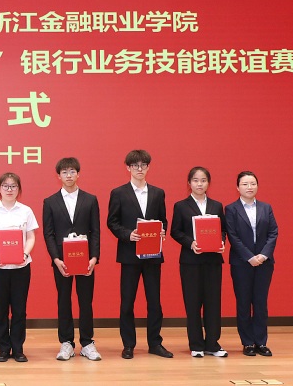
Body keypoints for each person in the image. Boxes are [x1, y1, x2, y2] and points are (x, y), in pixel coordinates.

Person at [107, 149, 172, 359]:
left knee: (154, 301)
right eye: (135, 165)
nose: (139, 169)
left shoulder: (158, 193)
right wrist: (128, 234)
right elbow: (112, 222)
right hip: (129, 255)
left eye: (143, 165)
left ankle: (155, 343)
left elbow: (163, 220)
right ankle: (128, 345)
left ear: (148, 167)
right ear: (128, 168)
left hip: (153, 255)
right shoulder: (118, 193)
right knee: (127, 302)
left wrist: (162, 231)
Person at [42, 157, 102, 361]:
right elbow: (48, 233)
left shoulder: (90, 199)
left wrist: (94, 257)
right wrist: (55, 259)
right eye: (64, 172)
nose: (69, 175)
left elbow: (95, 231)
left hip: (86, 261)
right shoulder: (50, 201)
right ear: (58, 176)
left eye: (72, 171)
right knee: (63, 300)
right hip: (62, 262)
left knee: (86, 301)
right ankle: (66, 342)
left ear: (78, 174)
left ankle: (87, 343)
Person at [170, 167, 228, 358]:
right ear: (189, 183)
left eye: (203, 180)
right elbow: (175, 231)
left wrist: (221, 242)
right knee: (193, 303)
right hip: (190, 262)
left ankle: (212, 343)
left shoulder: (216, 205)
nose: (199, 184)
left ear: (208, 183)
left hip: (213, 261)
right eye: (195, 180)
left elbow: (223, 229)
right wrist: (190, 243)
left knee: (213, 302)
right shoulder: (181, 206)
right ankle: (196, 344)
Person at [0, 172, 38, 363]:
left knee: (20, 310)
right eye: (5, 186)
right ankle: (3, 349)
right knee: (0, 310)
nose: (9, 189)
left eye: (13, 186)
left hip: (21, 267)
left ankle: (18, 348)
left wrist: (24, 254)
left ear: (18, 189)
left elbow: (31, 237)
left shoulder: (26, 211)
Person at [225, 171, 278, 357]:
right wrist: (249, 257)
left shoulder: (266, 207)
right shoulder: (231, 209)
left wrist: (263, 255)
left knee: (261, 303)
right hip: (241, 263)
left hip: (264, 263)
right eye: (245, 184)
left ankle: (261, 342)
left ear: (257, 186)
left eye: (253, 184)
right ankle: (247, 342)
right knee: (243, 303)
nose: (249, 187)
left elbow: (273, 232)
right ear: (237, 187)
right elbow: (232, 236)